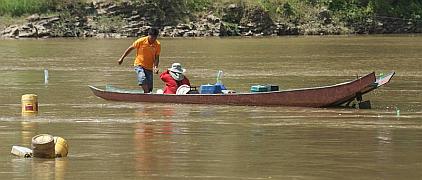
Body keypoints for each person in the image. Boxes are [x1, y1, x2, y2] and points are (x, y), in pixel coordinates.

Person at [117, 28, 161, 93]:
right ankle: (146, 94)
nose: (153, 39)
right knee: (142, 78)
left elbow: (157, 57)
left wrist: (155, 67)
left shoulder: (157, 44)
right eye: (152, 37)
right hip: (139, 64)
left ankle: (147, 94)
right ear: (148, 35)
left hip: (149, 67)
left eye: (155, 37)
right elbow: (130, 48)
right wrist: (122, 58)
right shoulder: (141, 41)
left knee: (150, 87)